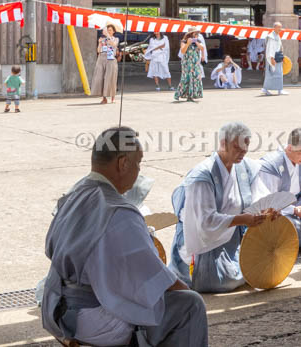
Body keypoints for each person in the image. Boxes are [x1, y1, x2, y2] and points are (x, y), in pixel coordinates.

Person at [41, 126, 208, 346]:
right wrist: (184, 289)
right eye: (138, 163)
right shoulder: (119, 212)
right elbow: (156, 277)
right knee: (190, 305)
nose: (139, 170)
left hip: (56, 306)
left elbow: (51, 248)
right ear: (123, 163)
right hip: (92, 318)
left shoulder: (72, 195)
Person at [170, 122, 275, 293]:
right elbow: (205, 222)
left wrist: (268, 210)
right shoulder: (202, 176)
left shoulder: (246, 167)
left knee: (267, 264)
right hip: (207, 243)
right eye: (237, 147)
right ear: (223, 143)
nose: (243, 151)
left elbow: (260, 197)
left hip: (235, 237)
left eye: (246, 146)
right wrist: (242, 219)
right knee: (223, 280)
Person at [255, 128, 301, 247]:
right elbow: (267, 202)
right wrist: (294, 210)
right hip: (277, 210)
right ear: (289, 148)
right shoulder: (271, 166)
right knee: (292, 230)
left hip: (298, 200)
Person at [93, 25, 119, 105]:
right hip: (102, 58)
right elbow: (98, 50)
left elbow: (113, 45)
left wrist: (108, 36)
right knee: (100, 78)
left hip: (111, 59)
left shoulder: (115, 39)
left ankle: (113, 97)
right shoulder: (102, 39)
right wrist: (99, 43)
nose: (108, 31)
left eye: (110, 30)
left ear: (113, 31)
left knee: (111, 78)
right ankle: (104, 98)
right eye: (107, 30)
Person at [175, 32, 205, 102]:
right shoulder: (184, 41)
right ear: (190, 34)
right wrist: (188, 43)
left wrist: (196, 42)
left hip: (195, 63)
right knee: (186, 78)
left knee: (196, 78)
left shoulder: (198, 41)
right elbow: (182, 51)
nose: (197, 35)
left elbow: (202, 48)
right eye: (195, 34)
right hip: (187, 63)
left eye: (197, 34)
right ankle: (182, 94)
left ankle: (192, 95)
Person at [261, 23, 287, 96]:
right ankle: (266, 89)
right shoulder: (271, 37)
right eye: (279, 27)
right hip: (273, 57)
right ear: (274, 27)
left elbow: (279, 47)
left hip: (278, 56)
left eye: (281, 27)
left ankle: (279, 89)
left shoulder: (277, 36)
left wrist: (282, 56)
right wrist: (272, 58)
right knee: (271, 74)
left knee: (279, 73)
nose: (280, 29)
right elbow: (270, 48)